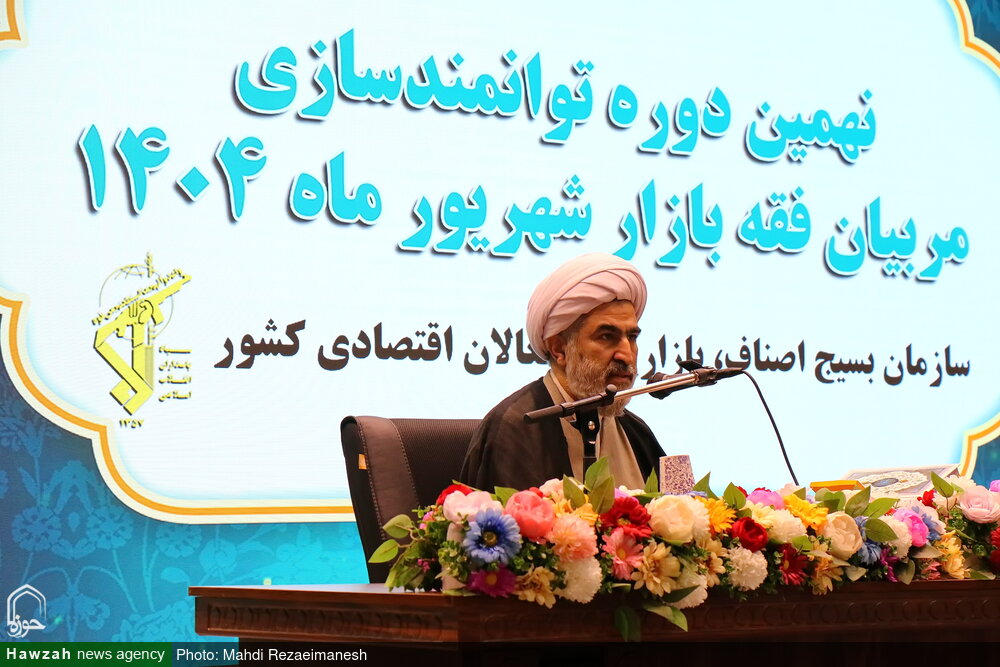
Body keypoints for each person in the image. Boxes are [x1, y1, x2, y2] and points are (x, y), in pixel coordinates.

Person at [460, 253, 665, 491]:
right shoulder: (516, 429)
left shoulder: (636, 433)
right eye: (606, 337)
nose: (626, 355)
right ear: (559, 348)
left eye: (632, 337)